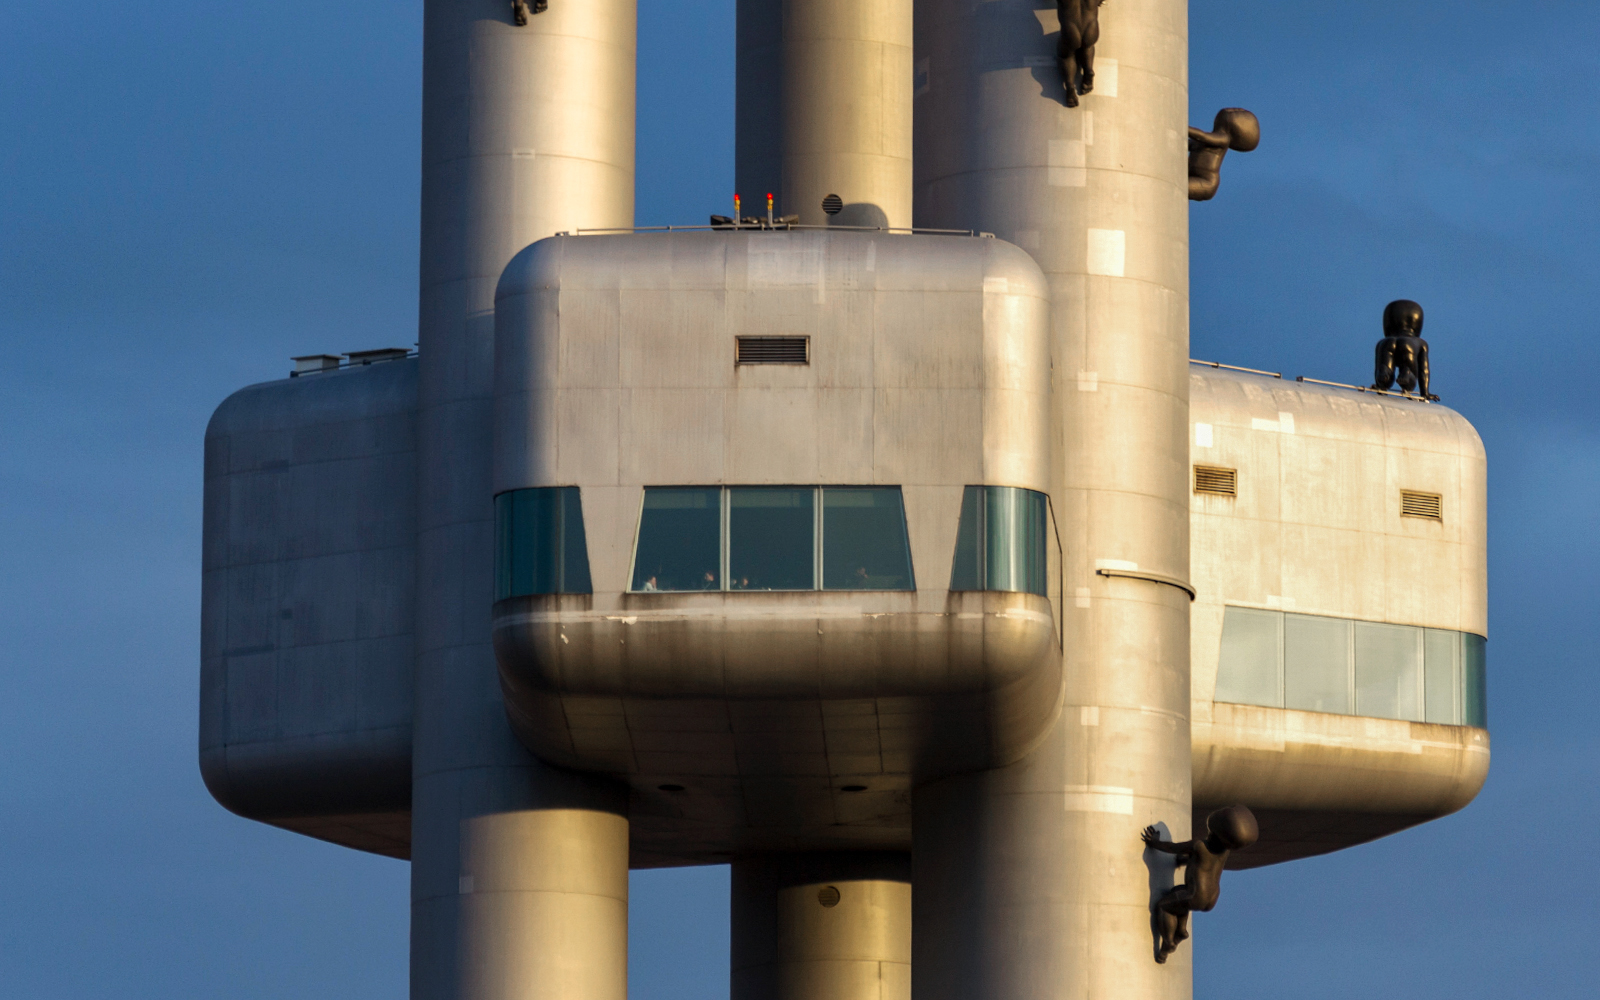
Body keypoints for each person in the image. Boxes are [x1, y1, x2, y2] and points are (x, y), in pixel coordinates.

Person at [1140, 805, 1259, 963]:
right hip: (1212, 897)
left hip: (1196, 895)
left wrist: (1154, 842)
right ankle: (1181, 930)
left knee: (1164, 906)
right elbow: (1204, 864)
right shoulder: (1225, 852)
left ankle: (1167, 944)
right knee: (1177, 894)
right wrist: (1184, 861)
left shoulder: (1198, 845)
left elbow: (1172, 847)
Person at [1187, 108, 1260, 201]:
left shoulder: (1223, 139)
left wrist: (1181, 127)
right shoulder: (1201, 142)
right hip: (1191, 172)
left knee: (1180, 185)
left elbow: (1201, 136)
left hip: (1206, 183)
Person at [1371, 299, 1434, 399]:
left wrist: (1379, 385)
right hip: (1408, 346)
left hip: (1388, 343)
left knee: (1383, 368)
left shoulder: (1382, 343)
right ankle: (1407, 373)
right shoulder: (1420, 343)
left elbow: (1377, 366)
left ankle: (1384, 376)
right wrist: (1425, 393)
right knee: (1410, 382)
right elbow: (1424, 370)